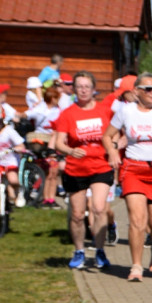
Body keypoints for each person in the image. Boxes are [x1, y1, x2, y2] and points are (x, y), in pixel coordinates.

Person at [102, 73, 152, 281]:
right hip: (133, 169)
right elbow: (107, 135)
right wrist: (113, 151)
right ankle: (136, 266)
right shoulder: (125, 111)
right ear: (136, 91)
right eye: (148, 89)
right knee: (137, 220)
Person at [51, 71, 114, 269]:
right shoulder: (68, 114)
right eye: (79, 86)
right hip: (76, 168)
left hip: (100, 166)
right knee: (78, 214)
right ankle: (79, 251)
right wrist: (71, 150)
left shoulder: (105, 111)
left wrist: (115, 148)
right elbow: (58, 143)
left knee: (98, 207)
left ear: (94, 89)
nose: (83, 90)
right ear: (74, 90)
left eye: (87, 86)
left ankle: (99, 250)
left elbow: (118, 134)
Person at [25, 84, 64, 207]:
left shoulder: (59, 110)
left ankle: (50, 199)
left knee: (53, 172)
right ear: (53, 98)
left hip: (54, 144)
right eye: (57, 97)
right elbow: (27, 115)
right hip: (42, 144)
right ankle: (46, 198)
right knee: (48, 172)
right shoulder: (41, 108)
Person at [0, 104, 26, 207]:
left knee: (13, 180)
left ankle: (18, 191)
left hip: (9, 160)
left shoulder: (9, 131)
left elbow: (21, 145)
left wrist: (18, 149)